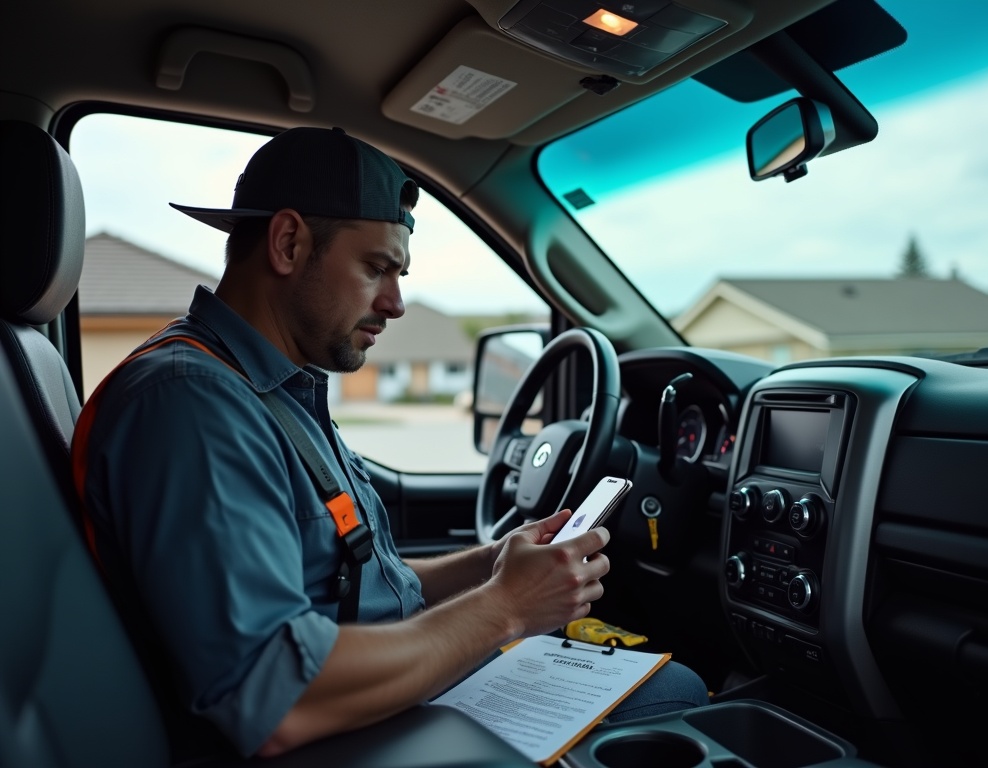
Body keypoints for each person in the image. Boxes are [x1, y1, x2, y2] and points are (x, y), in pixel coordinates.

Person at [72, 126, 708, 759]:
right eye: (377, 267)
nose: (397, 303)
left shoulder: (270, 389)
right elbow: (275, 694)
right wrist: (507, 607)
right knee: (679, 691)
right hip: (329, 735)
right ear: (288, 243)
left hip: (373, 703)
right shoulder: (192, 406)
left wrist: (492, 565)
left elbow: (358, 583)